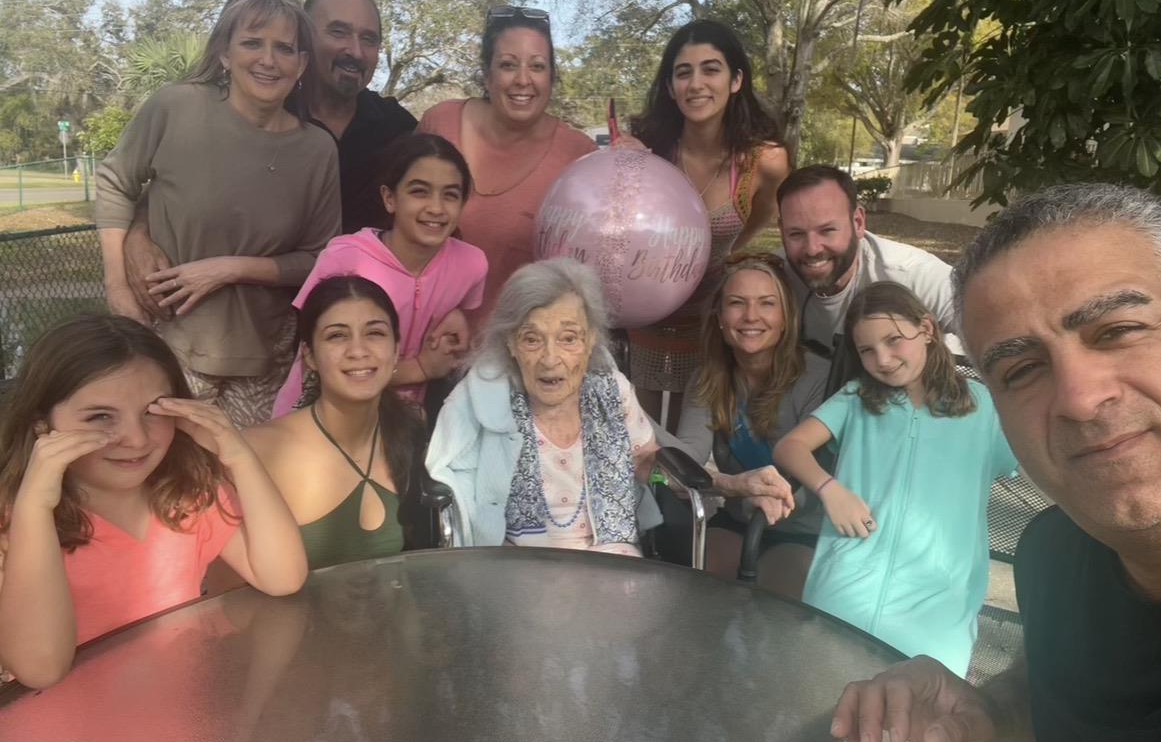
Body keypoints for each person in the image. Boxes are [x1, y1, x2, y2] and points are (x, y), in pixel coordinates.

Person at [828, 184, 1161, 742]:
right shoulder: (1056, 553)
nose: (1079, 398)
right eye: (1023, 369)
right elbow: (1072, 695)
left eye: (1118, 330)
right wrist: (991, 715)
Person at [0, 315, 307, 689]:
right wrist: (34, 508)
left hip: (180, 712)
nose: (136, 438)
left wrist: (240, 457)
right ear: (41, 425)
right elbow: (40, 668)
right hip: (73, 724)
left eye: (152, 411)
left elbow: (283, 578)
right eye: (100, 416)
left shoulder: (187, 495)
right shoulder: (17, 522)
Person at [95, 0, 341, 427]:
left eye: (285, 48)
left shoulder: (317, 150)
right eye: (252, 43)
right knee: (159, 464)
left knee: (245, 468)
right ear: (225, 53)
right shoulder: (177, 107)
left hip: (265, 357)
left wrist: (228, 269)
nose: (268, 60)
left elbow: (318, 258)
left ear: (302, 64)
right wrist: (118, 286)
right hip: (167, 342)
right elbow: (115, 181)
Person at [774, 282, 1015, 676]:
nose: (882, 359)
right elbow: (790, 447)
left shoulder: (983, 406)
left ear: (927, 329)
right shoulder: (856, 398)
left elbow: (1032, 460)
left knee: (916, 710)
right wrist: (829, 490)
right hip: (845, 587)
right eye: (867, 350)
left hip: (937, 607)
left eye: (894, 340)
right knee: (820, 690)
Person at [425, 258, 665, 555]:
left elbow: (645, 459)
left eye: (568, 339)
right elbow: (448, 475)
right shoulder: (481, 400)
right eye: (532, 339)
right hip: (519, 561)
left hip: (612, 555)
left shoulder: (613, 392)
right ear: (511, 343)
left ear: (591, 339)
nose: (550, 359)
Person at [622, 19, 790, 432]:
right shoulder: (646, 155)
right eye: (684, 72)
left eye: (711, 69)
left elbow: (764, 217)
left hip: (712, 321)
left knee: (692, 441)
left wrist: (721, 254)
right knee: (640, 435)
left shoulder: (765, 161)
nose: (696, 84)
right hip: (645, 318)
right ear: (669, 87)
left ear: (736, 80)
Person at [270, 133, 487, 418]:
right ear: (389, 198)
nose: (436, 208)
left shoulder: (471, 264)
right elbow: (325, 363)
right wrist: (420, 368)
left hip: (402, 421)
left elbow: (457, 311)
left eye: (450, 195)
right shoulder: (345, 259)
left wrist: (456, 312)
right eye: (419, 192)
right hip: (321, 415)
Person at [418, 6, 596, 325]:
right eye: (508, 65)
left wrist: (633, 161)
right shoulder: (440, 124)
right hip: (422, 339)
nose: (523, 80)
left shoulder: (578, 155)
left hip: (520, 345)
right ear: (487, 74)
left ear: (552, 77)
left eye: (537, 66)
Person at [247, 277, 430, 571]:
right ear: (309, 355)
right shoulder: (258, 449)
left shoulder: (412, 428)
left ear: (396, 349)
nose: (358, 351)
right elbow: (226, 591)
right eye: (337, 336)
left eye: (375, 333)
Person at [675, 251, 828, 597]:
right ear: (719, 317)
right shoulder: (707, 379)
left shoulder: (817, 378)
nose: (751, 316)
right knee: (700, 587)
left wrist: (746, 496)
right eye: (737, 303)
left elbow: (810, 482)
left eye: (767, 303)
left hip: (802, 527)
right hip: (739, 520)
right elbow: (685, 464)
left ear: (786, 317)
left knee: (777, 599)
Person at [776, 164, 959, 394]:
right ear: (782, 230)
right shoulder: (772, 277)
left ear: (858, 223)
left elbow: (989, 329)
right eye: (796, 234)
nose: (812, 249)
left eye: (827, 230)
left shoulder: (912, 273)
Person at [302, 0, 420, 234]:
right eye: (338, 32)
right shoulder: (270, 117)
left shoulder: (398, 130)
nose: (356, 52)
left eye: (368, 39)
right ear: (303, 38)